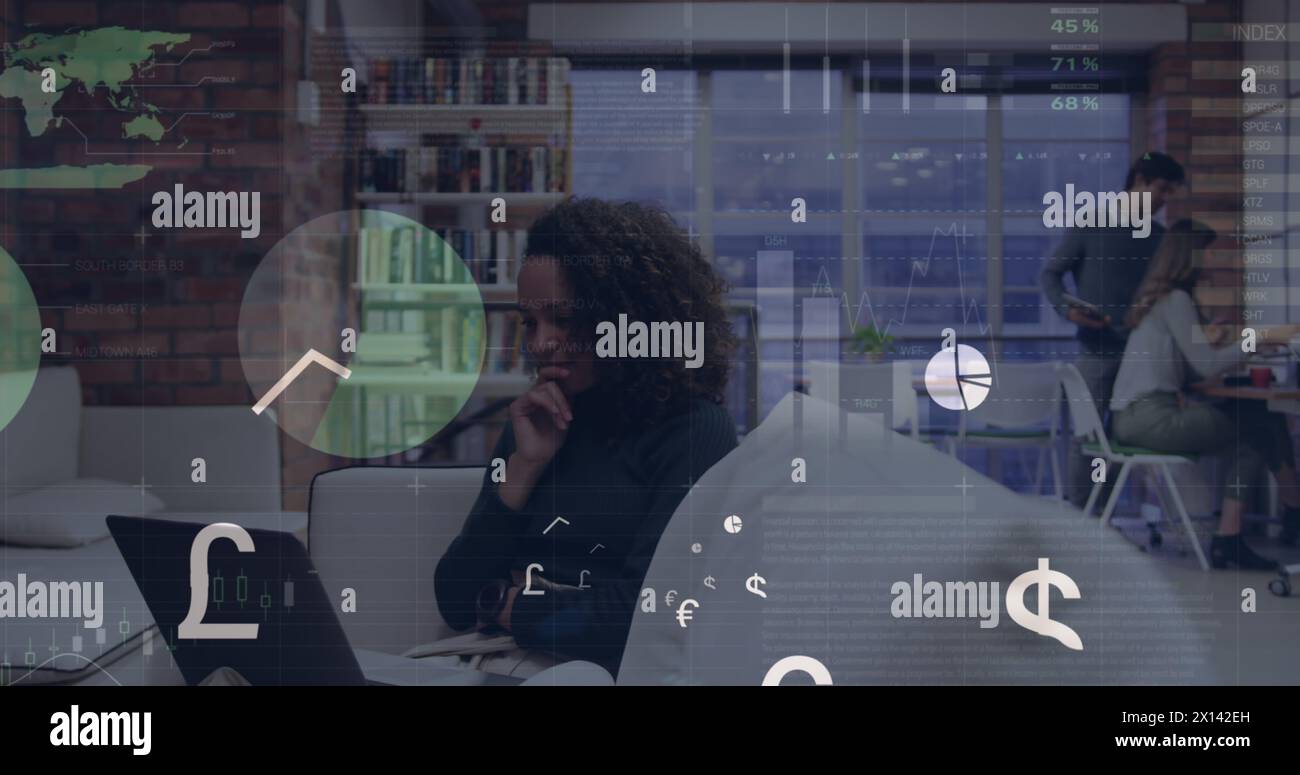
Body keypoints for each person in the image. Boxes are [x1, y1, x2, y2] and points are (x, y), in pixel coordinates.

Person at [434, 198, 739, 677]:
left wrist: (509, 607)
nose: (539, 344)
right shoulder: (536, 420)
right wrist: (524, 470)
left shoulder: (693, 429)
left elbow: (649, 613)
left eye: (566, 319)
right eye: (530, 322)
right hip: (495, 660)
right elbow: (453, 596)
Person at [1109, 220, 1300, 569]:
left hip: (1134, 416)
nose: (1214, 257)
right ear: (1190, 254)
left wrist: (1215, 338)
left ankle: (1289, 514)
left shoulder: (1165, 298)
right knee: (1253, 432)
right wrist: (1254, 340)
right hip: (1150, 417)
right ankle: (1233, 538)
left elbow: (1193, 362)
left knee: (1263, 417)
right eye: (1208, 250)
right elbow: (1207, 366)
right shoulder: (1177, 299)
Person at [1041, 151, 1186, 508]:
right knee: (1087, 437)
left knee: (1124, 438)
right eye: (1162, 190)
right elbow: (1050, 274)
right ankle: (1080, 520)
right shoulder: (1092, 223)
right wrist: (1067, 309)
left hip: (1143, 358)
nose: (1166, 200)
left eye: (1172, 194)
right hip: (1097, 349)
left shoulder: (1160, 237)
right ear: (1138, 180)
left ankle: (1103, 518)